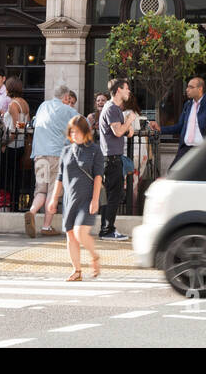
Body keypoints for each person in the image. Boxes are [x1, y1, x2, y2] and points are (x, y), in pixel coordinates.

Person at [48, 115, 104, 282]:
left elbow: (98, 178)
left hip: (87, 198)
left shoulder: (95, 150)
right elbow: (59, 178)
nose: (74, 135)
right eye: (72, 131)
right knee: (71, 235)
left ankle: (94, 256)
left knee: (80, 233)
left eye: (78, 131)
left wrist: (95, 200)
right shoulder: (66, 151)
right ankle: (77, 270)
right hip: (70, 199)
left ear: (85, 132)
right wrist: (53, 199)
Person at [27, 84, 77, 237]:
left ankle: (31, 212)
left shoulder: (43, 106)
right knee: (52, 192)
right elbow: (84, 125)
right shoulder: (69, 110)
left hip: (40, 154)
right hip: (57, 155)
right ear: (66, 97)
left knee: (41, 189)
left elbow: (35, 124)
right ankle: (46, 226)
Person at [152, 76, 206, 165]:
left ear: (200, 89)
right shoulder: (187, 105)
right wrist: (160, 129)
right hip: (186, 149)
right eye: (187, 87)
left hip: (204, 150)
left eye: (191, 87)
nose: (187, 89)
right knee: (173, 173)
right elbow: (180, 127)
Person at [98, 79, 138, 241]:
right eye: (126, 88)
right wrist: (128, 120)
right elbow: (118, 132)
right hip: (111, 159)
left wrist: (127, 124)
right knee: (114, 195)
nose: (129, 91)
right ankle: (108, 230)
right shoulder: (112, 108)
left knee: (113, 195)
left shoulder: (115, 110)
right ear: (118, 90)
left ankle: (106, 229)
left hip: (113, 158)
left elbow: (129, 133)